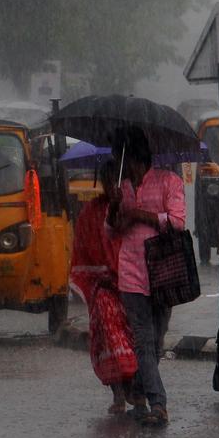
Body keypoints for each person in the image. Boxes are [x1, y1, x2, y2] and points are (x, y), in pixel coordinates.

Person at [108, 126, 186, 427]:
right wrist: (115, 205)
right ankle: (159, 403)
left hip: (163, 274)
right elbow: (111, 230)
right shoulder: (122, 188)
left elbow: (177, 222)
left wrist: (140, 214)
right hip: (131, 275)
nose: (117, 165)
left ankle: (138, 388)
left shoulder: (170, 182)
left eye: (120, 159)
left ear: (133, 158)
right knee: (143, 341)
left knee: (155, 341)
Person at [70, 160, 138, 415]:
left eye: (118, 181)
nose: (113, 187)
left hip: (130, 284)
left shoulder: (132, 210)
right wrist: (103, 275)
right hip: (103, 288)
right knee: (109, 338)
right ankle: (118, 393)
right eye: (109, 182)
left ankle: (132, 387)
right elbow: (84, 250)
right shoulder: (91, 211)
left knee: (131, 339)